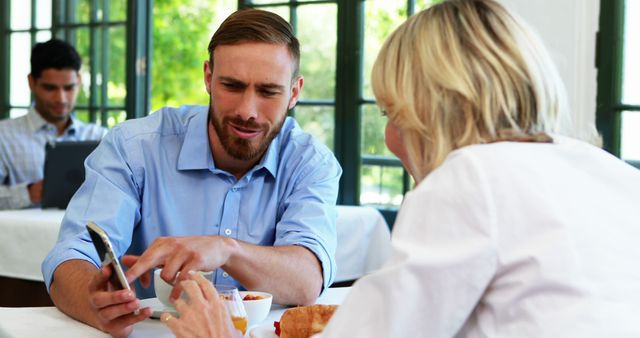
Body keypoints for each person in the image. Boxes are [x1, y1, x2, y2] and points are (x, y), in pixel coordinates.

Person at [160, 0, 640, 337]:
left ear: (433, 109)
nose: (390, 141)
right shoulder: (612, 175)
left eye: (392, 114)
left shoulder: (471, 178)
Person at [41, 8, 342, 338]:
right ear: (208, 77)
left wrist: (226, 249)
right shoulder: (134, 147)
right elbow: (71, 255)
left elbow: (307, 279)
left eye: (269, 91)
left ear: (294, 93)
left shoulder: (310, 162)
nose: (248, 111)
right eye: (232, 85)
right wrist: (91, 298)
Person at [0, 39, 107, 210]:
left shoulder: (100, 138)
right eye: (50, 88)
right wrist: (28, 193)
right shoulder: (3, 137)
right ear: (31, 82)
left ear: (78, 81)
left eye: (69, 88)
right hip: (23, 235)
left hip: (86, 235)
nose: (61, 99)